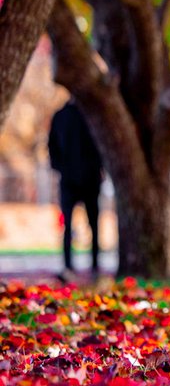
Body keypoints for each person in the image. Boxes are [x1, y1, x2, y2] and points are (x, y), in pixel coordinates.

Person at [48, 100, 104, 277]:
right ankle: (71, 265)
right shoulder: (65, 115)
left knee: (92, 224)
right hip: (75, 178)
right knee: (73, 224)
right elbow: (52, 146)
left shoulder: (92, 114)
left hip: (86, 178)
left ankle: (87, 265)